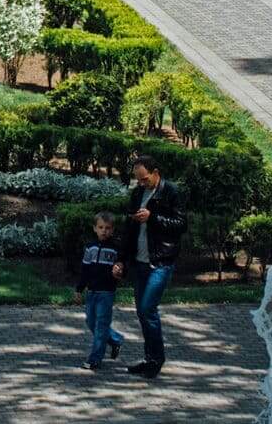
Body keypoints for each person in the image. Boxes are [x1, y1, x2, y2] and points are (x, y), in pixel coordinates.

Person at [112, 155, 186, 379]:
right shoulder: (137, 194)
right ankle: (149, 357)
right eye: (138, 180)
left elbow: (181, 225)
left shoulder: (171, 192)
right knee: (142, 313)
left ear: (155, 172)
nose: (141, 184)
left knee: (147, 309)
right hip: (140, 261)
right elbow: (129, 229)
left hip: (160, 260)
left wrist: (153, 218)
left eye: (144, 179)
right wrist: (121, 259)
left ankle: (157, 359)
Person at [77, 212, 125, 371]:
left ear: (113, 230)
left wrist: (119, 271)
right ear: (95, 228)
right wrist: (79, 289)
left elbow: (123, 268)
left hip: (106, 292)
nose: (104, 231)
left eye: (108, 228)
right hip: (92, 291)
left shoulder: (116, 248)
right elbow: (85, 270)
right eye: (101, 227)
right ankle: (116, 339)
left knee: (101, 326)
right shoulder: (90, 247)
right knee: (91, 322)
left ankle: (95, 358)